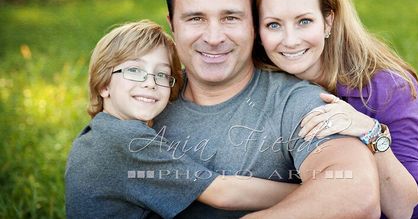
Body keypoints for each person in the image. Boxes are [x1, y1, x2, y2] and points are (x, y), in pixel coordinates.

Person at [152, 0, 380, 219]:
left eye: (230, 18)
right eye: (195, 18)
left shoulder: (297, 103)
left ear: (254, 24)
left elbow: (356, 194)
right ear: (172, 25)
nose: (214, 37)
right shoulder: (145, 99)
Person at [252, 0, 418, 219]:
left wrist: (370, 132)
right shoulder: (264, 84)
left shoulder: (388, 87)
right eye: (273, 25)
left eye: (304, 21)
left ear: (328, 22)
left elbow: (403, 208)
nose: (290, 40)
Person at [65, 20, 302, 219]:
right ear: (104, 84)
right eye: (134, 71)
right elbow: (223, 193)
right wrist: (311, 191)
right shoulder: (125, 140)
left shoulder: (96, 134)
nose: (150, 82)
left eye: (161, 74)